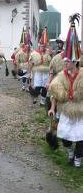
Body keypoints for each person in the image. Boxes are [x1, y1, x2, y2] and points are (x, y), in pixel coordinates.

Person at [48, 13, 83, 167]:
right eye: (65, 61)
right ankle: (70, 153)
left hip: (80, 110)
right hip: (66, 110)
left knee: (81, 138)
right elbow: (55, 93)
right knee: (66, 138)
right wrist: (52, 108)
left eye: (67, 62)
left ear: (75, 62)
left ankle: (77, 159)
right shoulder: (61, 76)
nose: (65, 63)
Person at [29, 27, 52, 105]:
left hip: (46, 72)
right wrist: (30, 73)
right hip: (38, 72)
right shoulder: (34, 53)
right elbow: (31, 63)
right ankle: (35, 97)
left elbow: (51, 63)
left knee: (45, 87)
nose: (43, 47)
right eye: (42, 46)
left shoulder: (48, 53)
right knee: (37, 87)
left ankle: (42, 101)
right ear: (39, 46)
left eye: (44, 46)